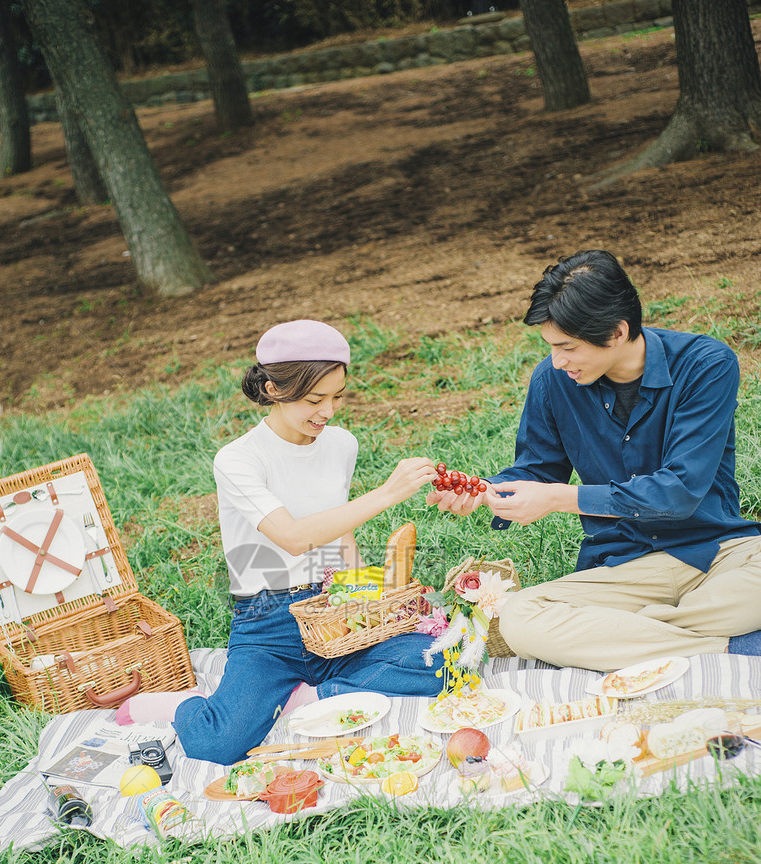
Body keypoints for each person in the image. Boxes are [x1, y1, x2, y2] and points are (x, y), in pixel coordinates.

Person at [117, 318, 440, 763]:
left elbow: (337, 527)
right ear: (272, 389)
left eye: (337, 397)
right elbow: (292, 537)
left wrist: (368, 595)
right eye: (314, 399)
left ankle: (311, 696)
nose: (327, 412)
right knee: (217, 744)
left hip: (334, 610)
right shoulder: (238, 460)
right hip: (267, 622)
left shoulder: (341, 444)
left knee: (445, 660)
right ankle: (182, 704)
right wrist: (387, 494)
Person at [428, 249, 761, 672]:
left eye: (567, 347)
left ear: (618, 332)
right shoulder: (553, 381)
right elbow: (537, 472)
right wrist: (484, 490)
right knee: (520, 616)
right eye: (550, 347)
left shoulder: (705, 364)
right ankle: (730, 648)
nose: (556, 361)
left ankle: (626, 633)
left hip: (718, 551)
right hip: (626, 566)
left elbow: (678, 492)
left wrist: (557, 498)